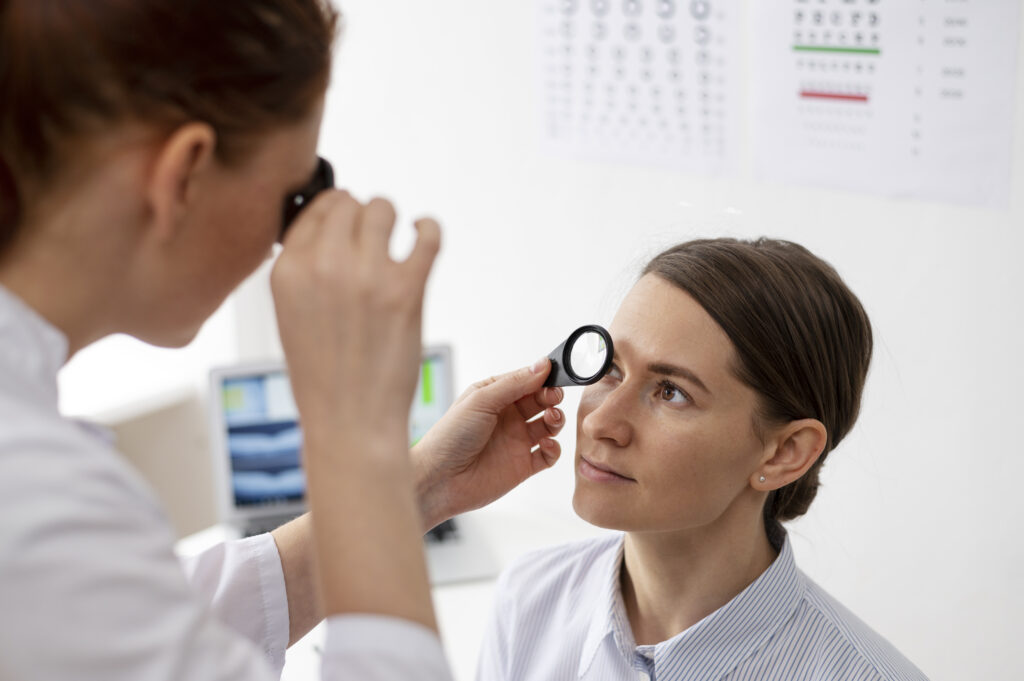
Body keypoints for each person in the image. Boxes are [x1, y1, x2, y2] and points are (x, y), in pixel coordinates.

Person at [0, 1, 565, 680]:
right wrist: (356, 434)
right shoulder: (37, 499)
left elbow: (121, 624)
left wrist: (419, 488)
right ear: (186, 173)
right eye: (294, 193)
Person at [477, 238, 930, 681]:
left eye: (671, 392)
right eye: (610, 369)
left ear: (785, 453)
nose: (601, 423)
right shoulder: (529, 601)